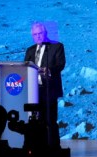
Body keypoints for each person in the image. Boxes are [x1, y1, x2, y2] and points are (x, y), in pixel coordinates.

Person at [24, 21, 66, 150]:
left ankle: (53, 148)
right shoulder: (30, 50)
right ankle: (37, 147)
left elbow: (60, 64)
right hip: (33, 90)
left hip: (49, 89)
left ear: (45, 33)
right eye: (35, 34)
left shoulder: (56, 46)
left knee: (50, 120)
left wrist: (49, 70)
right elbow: (25, 66)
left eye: (40, 33)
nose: (37, 36)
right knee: (35, 121)